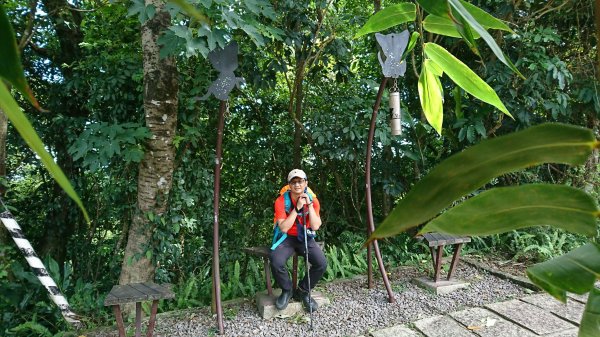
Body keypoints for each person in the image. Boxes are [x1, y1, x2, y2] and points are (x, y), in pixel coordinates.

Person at [270, 169, 327, 312]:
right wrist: (297, 208)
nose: (297, 185)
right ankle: (287, 290)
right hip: (287, 237)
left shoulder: (313, 201)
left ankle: (303, 290)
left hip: (305, 236)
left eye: (300, 181)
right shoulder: (281, 201)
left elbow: (315, 226)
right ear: (289, 185)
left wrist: (309, 206)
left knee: (321, 263)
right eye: (293, 182)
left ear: (305, 183)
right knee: (276, 261)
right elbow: (283, 227)